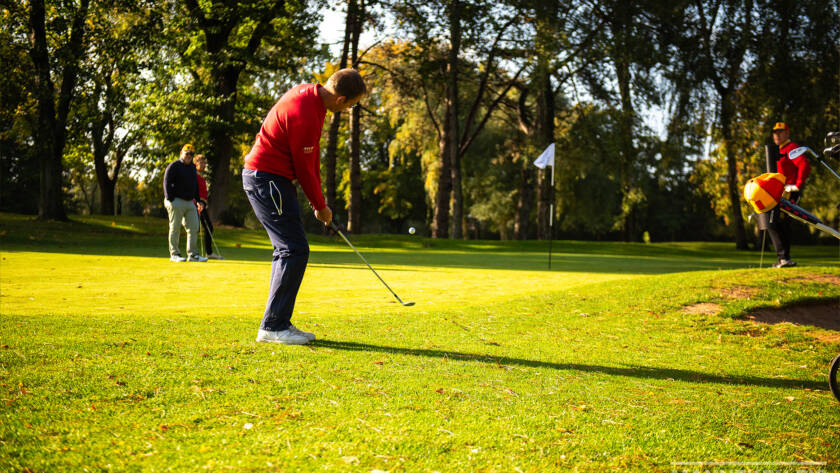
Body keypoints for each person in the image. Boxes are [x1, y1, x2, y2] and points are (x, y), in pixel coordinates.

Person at [243, 68, 365, 345]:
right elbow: (303, 168)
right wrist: (319, 206)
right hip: (266, 178)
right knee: (293, 249)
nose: (349, 110)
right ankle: (273, 326)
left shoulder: (312, 96)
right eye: (352, 105)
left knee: (289, 249)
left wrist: (319, 201)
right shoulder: (307, 113)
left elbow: (312, 159)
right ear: (341, 99)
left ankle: (278, 322)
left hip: (271, 178)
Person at [767, 122, 811, 268]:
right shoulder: (776, 150)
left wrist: (797, 185)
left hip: (789, 192)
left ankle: (784, 258)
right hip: (778, 192)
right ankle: (783, 258)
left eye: (780, 132)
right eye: (775, 133)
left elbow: (804, 165)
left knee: (779, 222)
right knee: (775, 222)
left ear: (787, 133)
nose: (777, 135)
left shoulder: (792, 148)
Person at [163, 144, 208, 263]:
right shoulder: (174, 165)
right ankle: (174, 254)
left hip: (190, 202)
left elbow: (195, 186)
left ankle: (193, 255)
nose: (189, 156)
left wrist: (198, 201)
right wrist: (170, 198)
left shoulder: (192, 167)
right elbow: (166, 182)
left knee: (194, 227)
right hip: (175, 201)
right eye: (186, 153)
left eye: (191, 154)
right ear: (181, 153)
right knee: (175, 227)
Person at [194, 154, 223, 260]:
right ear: (195, 163)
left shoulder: (201, 177)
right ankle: (196, 252)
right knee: (197, 228)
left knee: (208, 227)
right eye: (201, 162)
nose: (203, 165)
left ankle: (209, 253)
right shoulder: (194, 176)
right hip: (196, 204)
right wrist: (198, 202)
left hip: (203, 204)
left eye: (204, 163)